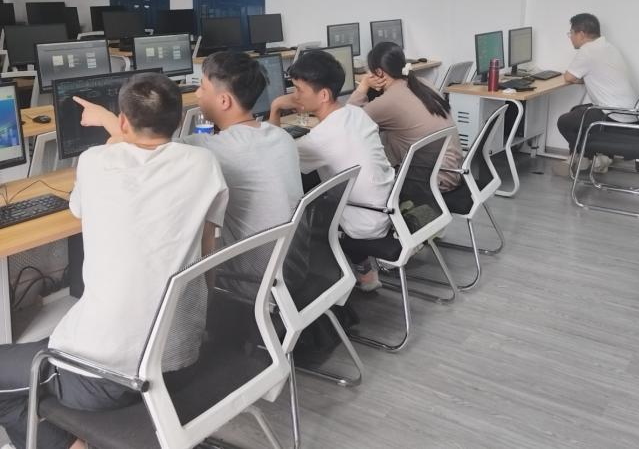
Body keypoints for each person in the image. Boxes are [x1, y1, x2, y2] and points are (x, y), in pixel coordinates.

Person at [0, 72, 228, 449]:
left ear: (123, 121)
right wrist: (115, 126)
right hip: (180, 352)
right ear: (179, 119)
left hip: (104, 376)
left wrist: (111, 132)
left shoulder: (94, 162)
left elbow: (79, 207)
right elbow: (208, 254)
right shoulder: (205, 164)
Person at [269, 50, 395, 291]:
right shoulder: (355, 114)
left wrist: (275, 108)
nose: (294, 97)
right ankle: (365, 273)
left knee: (294, 197)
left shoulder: (320, 139)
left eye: (299, 90)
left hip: (363, 220)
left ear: (324, 95)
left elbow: (274, 157)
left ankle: (319, 285)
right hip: (387, 207)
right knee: (315, 180)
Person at [179, 51, 304, 291]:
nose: (197, 94)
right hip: (293, 267)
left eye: (202, 87)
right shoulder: (281, 136)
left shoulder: (214, 148)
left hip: (254, 280)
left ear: (224, 101)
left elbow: (150, 143)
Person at [348, 41, 463, 192]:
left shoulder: (388, 102)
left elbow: (348, 122)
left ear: (379, 72)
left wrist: (363, 86)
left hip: (434, 180)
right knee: (389, 136)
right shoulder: (423, 84)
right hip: (453, 170)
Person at [557, 13, 637, 173]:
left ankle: (591, 158)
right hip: (631, 113)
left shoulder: (588, 51)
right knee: (577, 112)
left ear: (581, 34)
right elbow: (594, 74)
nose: (570, 37)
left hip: (615, 115)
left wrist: (577, 77)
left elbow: (569, 77)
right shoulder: (608, 47)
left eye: (571, 33)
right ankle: (590, 157)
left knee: (564, 122)